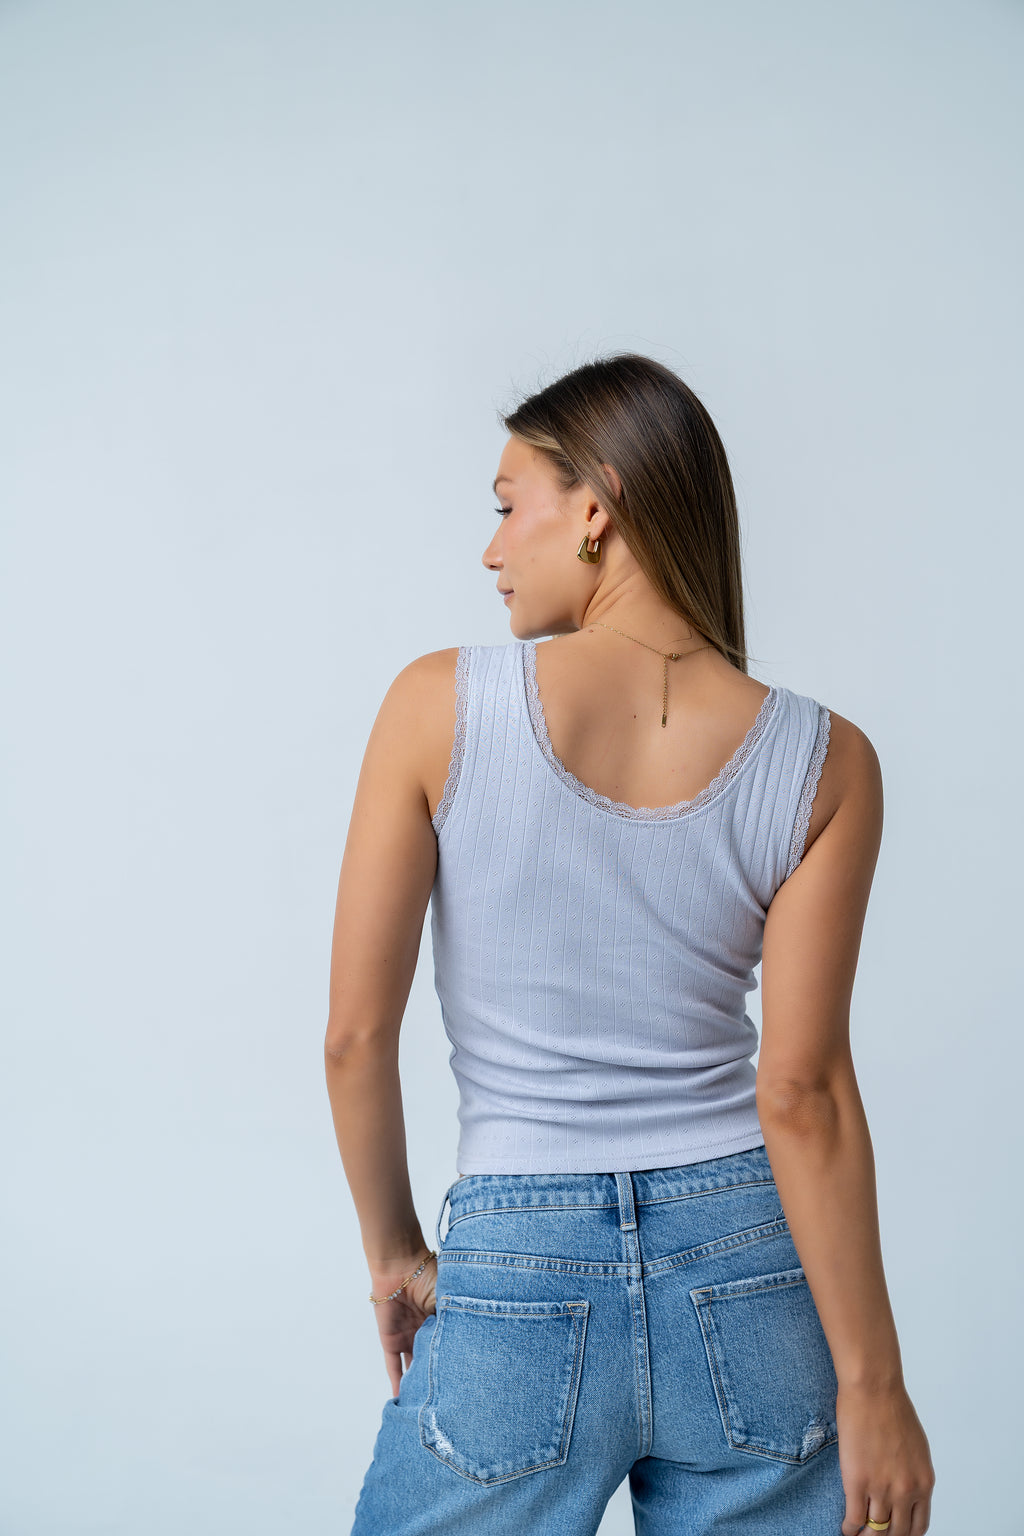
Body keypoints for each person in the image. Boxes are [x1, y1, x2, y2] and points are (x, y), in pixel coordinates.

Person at [324, 354, 935, 1536]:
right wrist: (876, 1388)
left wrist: (397, 1254)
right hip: (752, 1271)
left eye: (509, 506)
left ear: (594, 507)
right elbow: (803, 1094)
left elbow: (354, 1036)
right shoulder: (825, 762)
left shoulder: (435, 707)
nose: (491, 549)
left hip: (515, 1276)